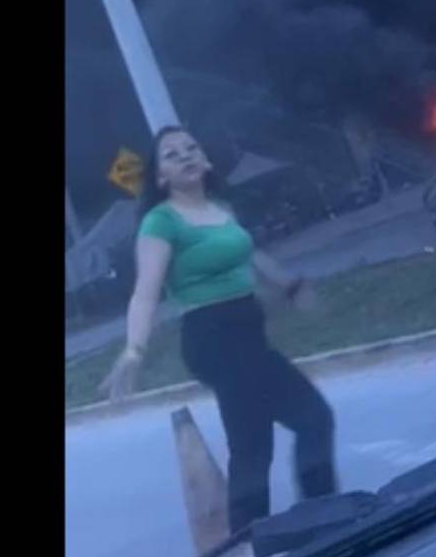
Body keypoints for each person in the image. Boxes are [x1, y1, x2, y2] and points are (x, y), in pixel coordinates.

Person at [101, 126, 337, 533]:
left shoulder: (219, 208)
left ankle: (268, 531)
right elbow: (145, 292)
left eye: (192, 148)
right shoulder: (161, 221)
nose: (187, 156)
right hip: (212, 337)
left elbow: (249, 256)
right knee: (305, 420)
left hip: (247, 333)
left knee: (256, 442)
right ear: (161, 177)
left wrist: (289, 286)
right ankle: (304, 523)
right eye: (173, 155)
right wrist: (134, 350)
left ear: (206, 161)